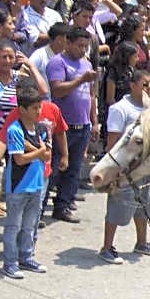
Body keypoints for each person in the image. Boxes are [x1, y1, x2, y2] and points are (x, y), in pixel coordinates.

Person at [99, 69, 150, 264]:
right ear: (132, 85)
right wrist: (115, 170)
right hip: (126, 168)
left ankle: (142, 242)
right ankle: (107, 247)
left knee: (144, 206)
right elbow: (112, 142)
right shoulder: (120, 109)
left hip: (146, 166)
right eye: (145, 85)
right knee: (117, 206)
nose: (149, 88)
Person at [46, 28, 99, 224]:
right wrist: (80, 80)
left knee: (74, 170)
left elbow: (91, 95)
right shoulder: (57, 63)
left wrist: (94, 121)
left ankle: (63, 206)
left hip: (82, 124)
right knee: (54, 168)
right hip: (62, 126)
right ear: (68, 43)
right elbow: (57, 90)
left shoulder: (87, 64)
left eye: (86, 46)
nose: (83, 50)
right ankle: (39, 207)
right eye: (79, 46)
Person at [0, 84, 51, 279]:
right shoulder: (15, 129)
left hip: (37, 184)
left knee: (30, 226)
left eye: (40, 107)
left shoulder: (41, 128)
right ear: (22, 109)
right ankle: (10, 262)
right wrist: (38, 151)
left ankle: (26, 257)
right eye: (34, 108)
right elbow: (20, 159)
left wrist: (33, 149)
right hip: (19, 186)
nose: (38, 111)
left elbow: (47, 155)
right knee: (13, 226)